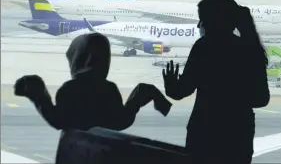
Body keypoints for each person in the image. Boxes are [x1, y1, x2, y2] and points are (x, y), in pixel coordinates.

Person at [162, 0, 270, 164]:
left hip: (204, 133)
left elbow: (181, 91)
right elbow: (262, 99)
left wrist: (170, 84)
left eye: (202, 19)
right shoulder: (249, 49)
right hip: (239, 136)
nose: (199, 25)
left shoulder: (204, 47)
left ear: (212, 21)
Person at [14, 33, 170, 131]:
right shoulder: (109, 89)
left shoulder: (70, 89)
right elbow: (120, 122)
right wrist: (136, 101)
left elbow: (58, 121)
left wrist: (39, 94)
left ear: (77, 59)